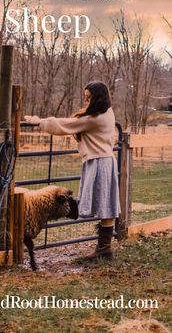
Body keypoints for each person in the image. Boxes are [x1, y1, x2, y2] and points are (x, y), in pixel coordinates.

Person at [24, 81, 120, 261]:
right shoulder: (107, 111)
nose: (87, 101)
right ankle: (104, 249)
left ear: (97, 98)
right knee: (106, 204)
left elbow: (66, 125)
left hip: (100, 162)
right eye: (86, 98)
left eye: (89, 98)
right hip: (102, 160)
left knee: (105, 205)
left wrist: (40, 122)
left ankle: (104, 249)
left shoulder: (96, 118)